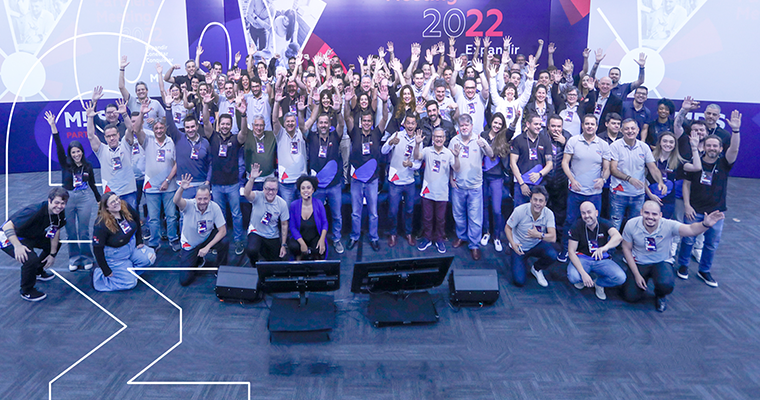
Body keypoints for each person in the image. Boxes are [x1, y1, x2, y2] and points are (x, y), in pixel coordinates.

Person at [676, 111, 742, 286]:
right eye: (709, 145)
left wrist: (736, 131)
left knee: (711, 244)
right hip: (694, 209)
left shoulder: (724, 163)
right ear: (704, 147)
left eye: (715, 146)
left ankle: (704, 270)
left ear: (720, 149)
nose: (712, 148)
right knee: (688, 240)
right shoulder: (695, 161)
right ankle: (683, 265)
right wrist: (687, 205)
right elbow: (686, 185)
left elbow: (734, 149)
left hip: (716, 212)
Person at [622, 201, 725, 312]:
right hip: (640, 262)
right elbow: (626, 248)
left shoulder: (668, 225)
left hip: (661, 261)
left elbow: (691, 229)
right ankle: (641, 281)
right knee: (630, 297)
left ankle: (660, 295)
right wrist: (637, 275)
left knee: (665, 285)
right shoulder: (631, 224)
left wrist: (705, 224)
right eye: (647, 213)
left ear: (660, 215)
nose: (650, 217)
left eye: (654, 214)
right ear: (641, 212)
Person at [48, 111, 100, 272]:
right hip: (67, 199)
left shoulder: (88, 166)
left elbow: (92, 184)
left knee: (84, 231)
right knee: (71, 231)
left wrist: (99, 199)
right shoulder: (65, 164)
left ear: (82, 152)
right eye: (73, 152)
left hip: (84, 199)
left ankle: (87, 258)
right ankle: (74, 259)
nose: (76, 154)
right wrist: (53, 126)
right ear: (70, 154)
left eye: (78, 151)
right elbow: (58, 146)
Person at [559, 114, 611, 262]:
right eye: (587, 124)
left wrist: (603, 179)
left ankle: (591, 251)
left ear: (596, 126)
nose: (589, 126)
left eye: (592, 124)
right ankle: (565, 251)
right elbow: (564, 163)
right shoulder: (573, 141)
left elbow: (607, 168)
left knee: (594, 223)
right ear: (582, 126)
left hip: (594, 193)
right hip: (575, 191)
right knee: (570, 221)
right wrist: (572, 180)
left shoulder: (603, 145)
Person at [1, 188, 68, 301]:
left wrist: (52, 254)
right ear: (49, 200)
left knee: (54, 245)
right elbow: (7, 226)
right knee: (30, 259)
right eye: (57, 202)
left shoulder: (59, 213)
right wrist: (17, 246)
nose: (59, 206)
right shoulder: (34, 210)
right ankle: (26, 291)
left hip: (29, 234)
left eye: (63, 203)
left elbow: (55, 230)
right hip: (9, 236)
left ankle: (38, 271)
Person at [202, 93, 248, 256]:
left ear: (231, 125)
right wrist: (205, 104)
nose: (225, 126)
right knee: (219, 216)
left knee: (236, 215)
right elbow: (205, 122)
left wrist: (243, 115)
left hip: (233, 184)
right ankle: (220, 242)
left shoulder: (235, 139)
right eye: (223, 124)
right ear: (218, 124)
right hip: (216, 184)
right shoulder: (213, 137)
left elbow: (244, 132)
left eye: (228, 124)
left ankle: (238, 241)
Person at [133, 104, 179, 251]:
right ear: (153, 129)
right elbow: (136, 130)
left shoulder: (171, 142)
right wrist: (141, 114)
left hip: (169, 186)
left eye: (161, 128)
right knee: (153, 218)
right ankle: (154, 242)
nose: (159, 130)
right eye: (156, 128)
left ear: (165, 128)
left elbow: (176, 164)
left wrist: (167, 180)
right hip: (151, 187)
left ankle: (173, 239)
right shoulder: (147, 140)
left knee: (171, 216)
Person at [609, 119, 667, 231]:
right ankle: (613, 244)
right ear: (622, 131)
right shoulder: (615, 146)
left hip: (638, 195)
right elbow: (613, 169)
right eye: (626, 129)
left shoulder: (644, 147)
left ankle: (630, 244)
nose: (630, 131)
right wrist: (629, 179)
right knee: (614, 227)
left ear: (637, 130)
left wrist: (660, 182)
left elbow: (653, 168)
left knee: (635, 228)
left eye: (632, 128)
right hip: (618, 194)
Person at [450, 114, 494, 260]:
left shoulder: (479, 139)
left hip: (475, 186)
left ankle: (474, 245)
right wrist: (451, 179)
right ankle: (461, 236)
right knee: (458, 215)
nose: (464, 128)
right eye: (461, 125)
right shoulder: (454, 141)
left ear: (471, 125)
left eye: (466, 125)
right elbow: (449, 162)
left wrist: (484, 145)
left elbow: (491, 155)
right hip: (458, 185)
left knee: (475, 218)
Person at [91, 193, 156, 292]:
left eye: (117, 199)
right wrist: (106, 270)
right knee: (130, 283)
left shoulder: (125, 206)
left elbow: (136, 219)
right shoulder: (101, 224)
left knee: (150, 257)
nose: (117, 202)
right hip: (115, 256)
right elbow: (97, 249)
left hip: (131, 246)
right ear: (106, 208)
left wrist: (139, 240)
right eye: (112, 202)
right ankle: (100, 276)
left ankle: (126, 272)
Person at [346, 106, 389, 252]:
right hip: (356, 179)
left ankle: (373, 238)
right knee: (355, 212)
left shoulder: (376, 133)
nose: (366, 123)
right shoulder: (355, 132)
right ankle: (354, 236)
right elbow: (347, 117)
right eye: (364, 120)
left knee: (373, 213)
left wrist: (385, 102)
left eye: (369, 121)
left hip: (372, 180)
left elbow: (385, 118)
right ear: (360, 121)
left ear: (372, 122)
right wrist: (346, 101)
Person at [174, 174, 229, 286]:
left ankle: (220, 268)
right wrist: (181, 189)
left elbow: (223, 230)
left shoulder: (214, 207)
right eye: (200, 198)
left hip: (206, 237)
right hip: (191, 243)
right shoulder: (188, 205)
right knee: (184, 281)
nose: (202, 201)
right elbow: (176, 200)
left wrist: (207, 247)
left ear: (210, 197)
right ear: (195, 198)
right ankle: (198, 259)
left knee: (224, 241)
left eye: (205, 198)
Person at [85, 98, 138, 209]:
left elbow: (130, 129)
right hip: (110, 194)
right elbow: (90, 136)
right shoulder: (101, 150)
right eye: (108, 136)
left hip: (129, 192)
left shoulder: (125, 145)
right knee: (112, 219)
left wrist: (124, 114)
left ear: (119, 135)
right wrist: (90, 118)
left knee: (131, 218)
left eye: (114, 135)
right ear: (105, 138)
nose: (112, 138)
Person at [304, 112, 345, 254]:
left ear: (329, 124)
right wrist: (304, 112)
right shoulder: (312, 137)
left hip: (334, 185)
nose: (323, 125)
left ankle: (337, 239)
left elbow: (341, 124)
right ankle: (317, 239)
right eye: (320, 122)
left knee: (336, 215)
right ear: (317, 125)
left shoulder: (335, 136)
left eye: (325, 122)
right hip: (317, 186)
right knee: (317, 215)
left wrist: (338, 111)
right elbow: (302, 127)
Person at [567, 201, 625, 300]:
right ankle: (584, 279)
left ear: (596, 213)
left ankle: (598, 283)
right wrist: (583, 274)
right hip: (583, 258)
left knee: (620, 277)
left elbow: (618, 237)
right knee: (574, 277)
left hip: (601, 259)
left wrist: (604, 248)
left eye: (589, 212)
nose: (587, 216)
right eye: (583, 213)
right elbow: (571, 252)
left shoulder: (604, 223)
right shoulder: (577, 226)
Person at [414, 127, 460, 253]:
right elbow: (417, 157)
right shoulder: (427, 150)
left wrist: (456, 157)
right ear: (433, 138)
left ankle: (439, 239)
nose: (438, 139)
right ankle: (427, 238)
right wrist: (417, 144)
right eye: (436, 136)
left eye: (441, 137)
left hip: (442, 192)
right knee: (427, 218)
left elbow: (456, 169)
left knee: (440, 219)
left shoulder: (449, 153)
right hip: (427, 191)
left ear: (444, 139)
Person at [382, 113, 422, 248]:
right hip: (395, 181)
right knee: (393, 211)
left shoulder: (418, 140)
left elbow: (418, 163)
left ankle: (408, 233)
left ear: (416, 125)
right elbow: (383, 151)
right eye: (408, 123)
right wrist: (390, 143)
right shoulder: (396, 135)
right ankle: (392, 234)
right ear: (404, 124)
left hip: (409, 181)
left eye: (413, 123)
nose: (410, 125)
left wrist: (411, 164)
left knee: (409, 210)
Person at [505, 186, 557, 287]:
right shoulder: (519, 211)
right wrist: (512, 244)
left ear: (545, 203)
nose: (537, 203)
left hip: (536, 244)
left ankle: (536, 268)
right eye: (535, 199)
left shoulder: (549, 214)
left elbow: (553, 237)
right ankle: (519, 260)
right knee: (519, 282)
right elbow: (507, 228)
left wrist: (539, 235)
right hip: (519, 247)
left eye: (541, 201)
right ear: (531, 200)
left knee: (552, 255)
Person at [243, 166, 289, 265]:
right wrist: (252, 178)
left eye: (273, 189)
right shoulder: (257, 196)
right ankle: (254, 263)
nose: (270, 192)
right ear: (263, 189)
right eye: (268, 189)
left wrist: (283, 245)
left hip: (272, 235)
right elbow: (246, 193)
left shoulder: (282, 203)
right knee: (252, 250)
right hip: (256, 231)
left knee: (277, 261)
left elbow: (284, 225)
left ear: (277, 190)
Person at [480, 112, 512, 252]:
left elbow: (511, 130)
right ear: (491, 122)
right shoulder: (483, 134)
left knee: (496, 210)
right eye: (495, 122)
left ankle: (497, 236)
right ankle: (486, 232)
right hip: (483, 176)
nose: (497, 126)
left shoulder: (503, 137)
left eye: (500, 123)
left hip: (497, 178)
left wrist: (516, 118)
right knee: (484, 206)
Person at [509, 113, 553, 206]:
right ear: (528, 124)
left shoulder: (545, 140)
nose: (538, 127)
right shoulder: (518, 140)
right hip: (521, 184)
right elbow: (512, 163)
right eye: (536, 124)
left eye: (540, 124)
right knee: (520, 211)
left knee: (538, 211)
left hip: (539, 183)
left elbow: (550, 164)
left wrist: (539, 174)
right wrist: (522, 184)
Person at [272, 95, 308, 206]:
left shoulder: (301, 133)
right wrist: (276, 102)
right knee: (287, 211)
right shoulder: (280, 133)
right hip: (285, 183)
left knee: (303, 211)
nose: (290, 123)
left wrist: (301, 112)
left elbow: (305, 123)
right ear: (284, 123)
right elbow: (274, 120)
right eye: (287, 121)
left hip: (301, 180)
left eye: (292, 121)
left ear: (295, 122)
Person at [544, 115, 572, 240]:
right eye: (553, 126)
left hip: (561, 181)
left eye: (559, 126)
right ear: (548, 126)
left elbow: (576, 154)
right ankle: (543, 236)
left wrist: (565, 143)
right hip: (544, 181)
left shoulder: (568, 137)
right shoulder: (542, 136)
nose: (556, 129)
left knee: (560, 211)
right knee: (543, 209)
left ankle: (559, 238)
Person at [288, 175, 329, 261]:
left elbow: (325, 223)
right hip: (300, 237)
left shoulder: (319, 203)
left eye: (308, 188)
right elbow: (292, 227)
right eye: (303, 188)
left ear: (313, 190)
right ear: (300, 190)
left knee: (320, 249)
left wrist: (322, 240)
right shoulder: (294, 205)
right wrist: (302, 243)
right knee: (293, 246)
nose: (306, 190)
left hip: (314, 237)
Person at [118, 56, 165, 130]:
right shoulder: (132, 101)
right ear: (136, 92)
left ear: (147, 90)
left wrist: (156, 120)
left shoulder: (155, 103)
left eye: (143, 89)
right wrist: (122, 69)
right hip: (137, 134)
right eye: (138, 90)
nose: (141, 91)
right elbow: (121, 87)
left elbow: (164, 118)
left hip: (153, 134)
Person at [449, 58, 490, 136]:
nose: (470, 90)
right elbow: (451, 85)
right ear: (464, 88)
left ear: (475, 88)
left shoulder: (480, 97)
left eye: (472, 88)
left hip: (478, 135)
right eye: (467, 88)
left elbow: (486, 89)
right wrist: (455, 71)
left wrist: (481, 72)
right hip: (461, 135)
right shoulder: (460, 96)